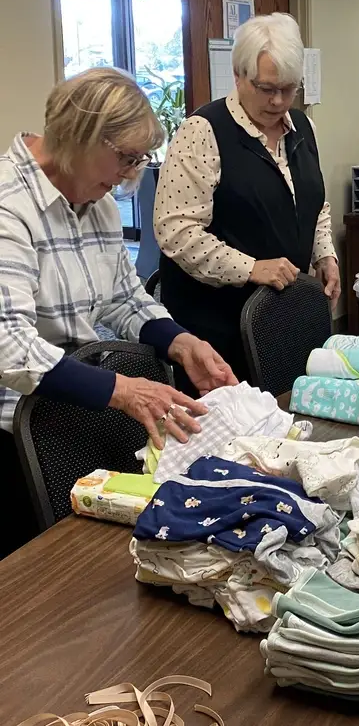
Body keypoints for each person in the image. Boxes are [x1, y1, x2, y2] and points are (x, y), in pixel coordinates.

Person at [0, 68, 237, 552]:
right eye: (125, 158)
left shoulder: (95, 199)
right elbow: (8, 344)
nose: (131, 174)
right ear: (81, 138)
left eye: (138, 159)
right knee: (51, 573)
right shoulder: (10, 205)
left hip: (77, 407)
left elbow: (123, 297)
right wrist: (122, 390)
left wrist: (180, 341)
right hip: (18, 435)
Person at [155, 12, 339, 383]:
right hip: (216, 325)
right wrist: (251, 267)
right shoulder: (203, 132)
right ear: (238, 76)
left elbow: (313, 203)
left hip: (280, 317)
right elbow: (175, 231)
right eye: (266, 88)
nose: (278, 101)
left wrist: (325, 253)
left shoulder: (302, 126)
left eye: (289, 89)